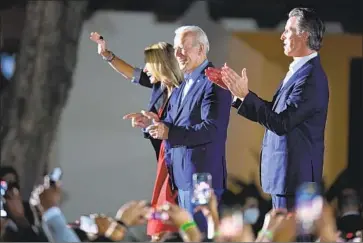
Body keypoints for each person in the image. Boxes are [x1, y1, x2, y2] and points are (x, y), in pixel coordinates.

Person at [206, 8, 329, 210]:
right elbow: (276, 113)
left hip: (294, 181)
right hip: (286, 179)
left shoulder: (311, 77)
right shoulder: (300, 71)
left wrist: (246, 96)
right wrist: (239, 95)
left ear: (304, 35)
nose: (282, 36)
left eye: (288, 30)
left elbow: (282, 123)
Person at [89, 33, 183, 240]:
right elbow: (131, 73)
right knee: (162, 216)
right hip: (163, 158)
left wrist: (154, 122)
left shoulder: (183, 92)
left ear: (160, 64)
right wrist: (106, 54)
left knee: (167, 216)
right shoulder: (159, 87)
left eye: (149, 64)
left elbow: (179, 128)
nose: (146, 69)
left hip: (178, 161)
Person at [141, 25, 232, 233]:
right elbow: (172, 123)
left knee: (201, 237)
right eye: (176, 49)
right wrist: (154, 123)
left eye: (184, 48)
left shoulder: (215, 82)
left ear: (201, 50)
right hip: (180, 179)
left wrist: (170, 133)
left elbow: (212, 129)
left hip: (202, 181)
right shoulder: (182, 84)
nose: (178, 54)